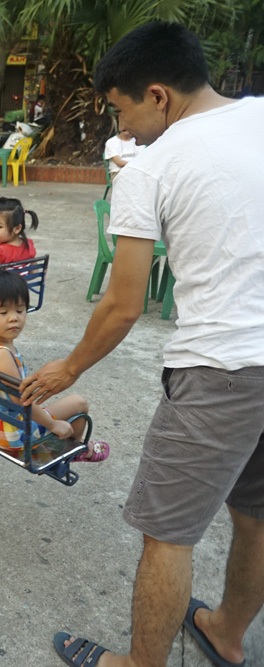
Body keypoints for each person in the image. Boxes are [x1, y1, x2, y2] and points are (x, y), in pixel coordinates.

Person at [16, 22, 264, 667]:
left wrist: (68, 367)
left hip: (223, 367)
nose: (121, 130)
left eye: (121, 110)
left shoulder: (151, 168)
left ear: (157, 94)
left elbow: (123, 303)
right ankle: (227, 632)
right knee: (259, 513)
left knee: (168, 535)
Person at [0, 269, 109, 462]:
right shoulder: (1, 354)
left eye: (20, 310)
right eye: (3, 312)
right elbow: (21, 401)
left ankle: (70, 445)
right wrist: (52, 424)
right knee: (78, 403)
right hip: (12, 434)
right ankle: (74, 449)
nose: (14, 318)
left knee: (65, 403)